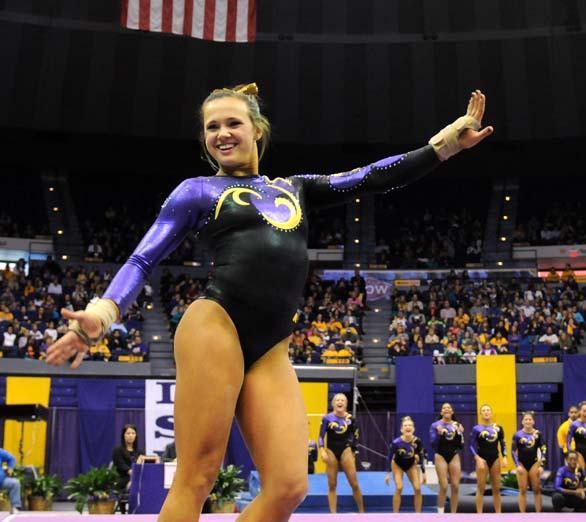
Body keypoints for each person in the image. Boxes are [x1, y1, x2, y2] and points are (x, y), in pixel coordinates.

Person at [46, 84, 494, 522]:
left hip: (271, 346)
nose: (221, 133)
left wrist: (444, 146)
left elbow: (369, 177)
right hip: (215, 324)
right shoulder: (196, 191)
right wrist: (103, 313)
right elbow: (144, 256)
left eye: (233, 123)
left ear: (257, 130)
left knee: (288, 486)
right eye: (211, 127)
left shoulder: (294, 188)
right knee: (197, 476)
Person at [318, 393, 364, 513]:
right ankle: (333, 515)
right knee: (332, 485)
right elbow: (321, 437)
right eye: (337, 400)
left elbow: (356, 436)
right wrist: (322, 450)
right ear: (333, 403)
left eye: (342, 400)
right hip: (331, 451)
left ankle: (362, 513)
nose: (340, 402)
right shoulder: (327, 418)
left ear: (346, 404)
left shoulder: (351, 419)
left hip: (346, 450)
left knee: (354, 483)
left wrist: (354, 450)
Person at [470, 404, 508, 514]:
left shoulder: (498, 428)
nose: (486, 412)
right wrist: (477, 458)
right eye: (483, 410)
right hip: (482, 459)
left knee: (496, 488)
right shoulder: (476, 429)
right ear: (481, 414)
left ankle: (498, 514)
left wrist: (504, 457)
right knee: (480, 487)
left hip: (495, 459)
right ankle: (480, 515)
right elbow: (471, 445)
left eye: (488, 410)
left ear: (491, 413)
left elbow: (503, 444)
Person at [385, 416, 426, 513]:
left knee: (418, 488)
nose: (408, 427)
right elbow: (389, 457)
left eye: (410, 425)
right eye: (405, 425)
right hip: (397, 464)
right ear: (401, 429)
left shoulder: (417, 441)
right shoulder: (396, 443)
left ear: (414, 428)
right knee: (399, 487)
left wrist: (423, 473)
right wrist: (387, 474)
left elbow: (422, 455)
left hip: (410, 464)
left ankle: (418, 515)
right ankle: (395, 514)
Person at [430, 402, 464, 513]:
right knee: (444, 486)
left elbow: (461, 446)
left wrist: (459, 434)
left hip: (453, 455)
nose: (446, 409)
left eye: (449, 407)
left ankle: (453, 515)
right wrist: (439, 434)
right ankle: (440, 513)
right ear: (441, 412)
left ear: (452, 411)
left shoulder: (457, 425)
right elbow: (433, 444)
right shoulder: (435, 425)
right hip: (440, 455)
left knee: (455, 486)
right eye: (444, 408)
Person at [512, 412, 546, 513]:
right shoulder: (517, 435)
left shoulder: (538, 434)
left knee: (536, 489)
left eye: (530, 419)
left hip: (534, 463)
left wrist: (542, 465)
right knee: (522, 490)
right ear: (522, 422)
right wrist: (517, 465)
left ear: (533, 421)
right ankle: (523, 515)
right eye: (526, 419)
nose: (528, 421)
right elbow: (513, 451)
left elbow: (544, 449)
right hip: (522, 463)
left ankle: (538, 514)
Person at [112, 424, 146, 514]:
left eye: (133, 433)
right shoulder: (117, 450)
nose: (131, 435)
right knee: (134, 482)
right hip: (123, 479)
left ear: (136, 435)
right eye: (128, 433)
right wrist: (133, 473)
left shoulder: (140, 452)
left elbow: (144, 466)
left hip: (137, 478)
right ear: (124, 435)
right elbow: (121, 466)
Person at [0, 447, 21, 514]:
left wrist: (10, 468)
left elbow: (11, 458)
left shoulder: (0, 452)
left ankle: (15, 507)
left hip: (1, 481)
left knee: (15, 483)